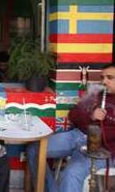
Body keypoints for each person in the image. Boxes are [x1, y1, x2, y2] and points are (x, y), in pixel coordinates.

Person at [27, 63, 115, 192]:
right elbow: (73, 115)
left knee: (71, 174)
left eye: (109, 77)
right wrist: (91, 115)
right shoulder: (96, 94)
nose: (104, 81)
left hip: (100, 149)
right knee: (34, 149)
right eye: (102, 78)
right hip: (77, 136)